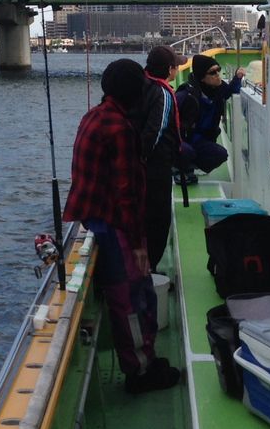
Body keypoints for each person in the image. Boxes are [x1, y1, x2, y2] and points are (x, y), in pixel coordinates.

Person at [63, 58, 181, 394]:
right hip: (114, 226)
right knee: (130, 299)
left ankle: (143, 358)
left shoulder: (95, 116)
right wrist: (140, 246)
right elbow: (127, 196)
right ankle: (140, 372)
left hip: (96, 219)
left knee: (132, 296)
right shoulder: (120, 129)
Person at [138, 45, 189, 268]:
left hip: (137, 169)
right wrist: (144, 160)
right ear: (169, 70)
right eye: (176, 67)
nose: (177, 71)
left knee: (141, 218)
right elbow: (154, 133)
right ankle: (149, 267)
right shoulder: (162, 93)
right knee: (158, 220)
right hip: (155, 169)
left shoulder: (140, 85)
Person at [175, 54, 246, 183]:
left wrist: (237, 78)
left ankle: (193, 167)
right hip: (186, 140)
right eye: (213, 72)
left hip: (203, 139)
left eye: (218, 69)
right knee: (188, 151)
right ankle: (180, 167)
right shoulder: (186, 96)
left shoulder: (217, 89)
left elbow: (230, 91)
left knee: (219, 154)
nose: (218, 74)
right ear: (202, 77)